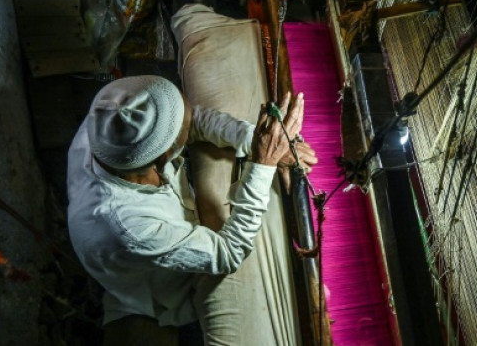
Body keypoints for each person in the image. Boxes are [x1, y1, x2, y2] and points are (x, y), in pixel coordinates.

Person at [66, 75, 317, 342]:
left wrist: (252, 138)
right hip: (157, 291)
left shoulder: (112, 116)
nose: (192, 117)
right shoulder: (129, 226)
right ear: (165, 156)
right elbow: (228, 253)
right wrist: (263, 164)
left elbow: (193, 120)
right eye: (181, 131)